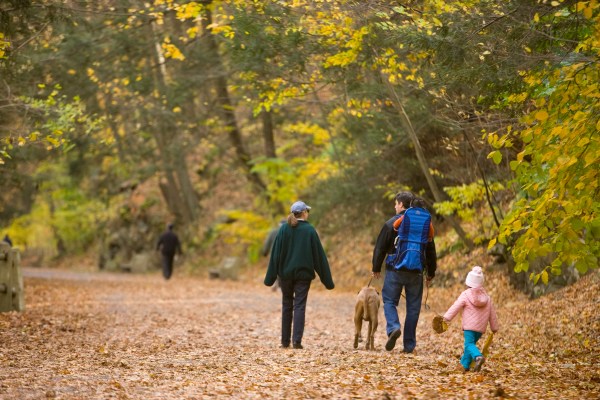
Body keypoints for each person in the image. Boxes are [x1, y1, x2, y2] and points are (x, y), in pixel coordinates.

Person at [371, 192, 437, 353]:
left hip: (395, 270)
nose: (395, 206)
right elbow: (430, 251)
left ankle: (393, 327)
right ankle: (409, 346)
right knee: (413, 308)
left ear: (401, 205)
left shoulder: (391, 223)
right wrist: (430, 273)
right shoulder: (424, 225)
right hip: (416, 272)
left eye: (396, 203)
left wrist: (376, 267)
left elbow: (380, 247)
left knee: (390, 301)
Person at [264, 201, 335, 349]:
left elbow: (275, 255)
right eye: (307, 211)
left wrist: (270, 278)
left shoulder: (283, 229)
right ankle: (297, 341)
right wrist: (327, 281)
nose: (308, 213)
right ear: (303, 213)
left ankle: (284, 341)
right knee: (300, 306)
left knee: (286, 305)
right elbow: (319, 257)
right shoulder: (309, 230)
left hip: (285, 276)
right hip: (303, 276)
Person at [443, 266, 499, 372]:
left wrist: (447, 317)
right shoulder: (487, 298)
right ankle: (464, 365)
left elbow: (456, 306)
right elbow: (493, 314)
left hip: (469, 327)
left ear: (468, 283)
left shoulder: (465, 294)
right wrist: (494, 328)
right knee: (470, 346)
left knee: (469, 344)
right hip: (481, 329)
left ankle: (478, 357)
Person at [261, 219, 286, 291]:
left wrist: (265, 253)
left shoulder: (273, 232)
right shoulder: (289, 231)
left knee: (274, 268)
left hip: (274, 253)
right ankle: (280, 284)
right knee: (283, 269)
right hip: (285, 254)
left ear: (279, 224)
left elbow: (267, 243)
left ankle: (275, 282)